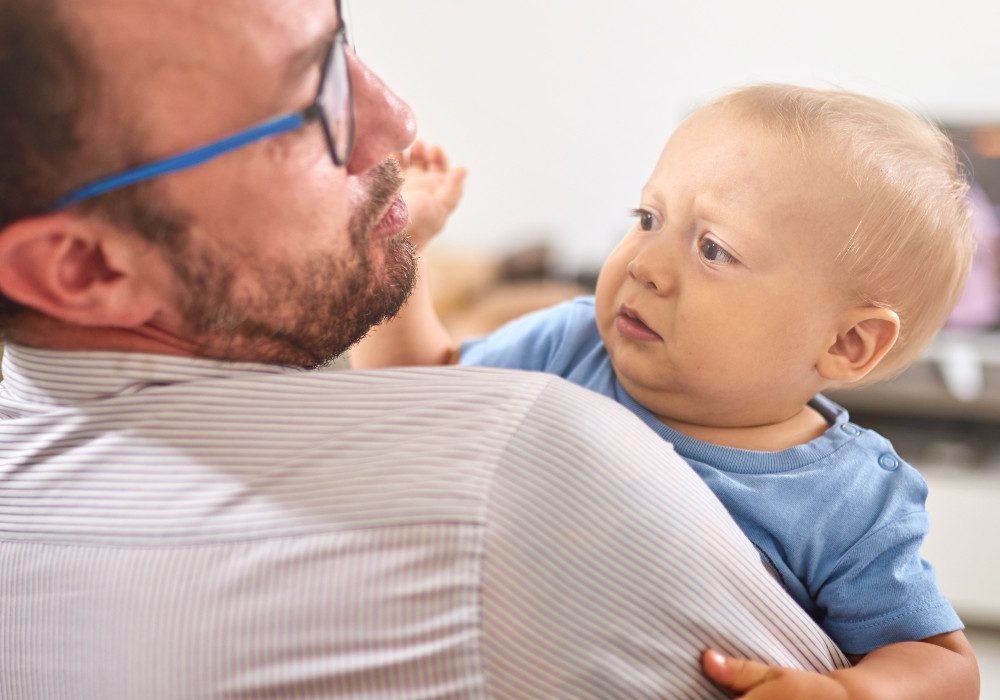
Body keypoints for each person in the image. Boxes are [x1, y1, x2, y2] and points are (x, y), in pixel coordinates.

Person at [0, 1, 857, 698]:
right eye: (310, 106)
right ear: (83, 266)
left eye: (344, 44)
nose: (396, 118)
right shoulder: (532, 469)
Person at [352, 84, 982, 697]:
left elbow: (942, 665)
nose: (642, 265)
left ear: (847, 343)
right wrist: (399, 251)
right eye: (648, 218)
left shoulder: (853, 498)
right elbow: (414, 390)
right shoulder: (573, 347)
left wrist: (849, 692)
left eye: (714, 249)